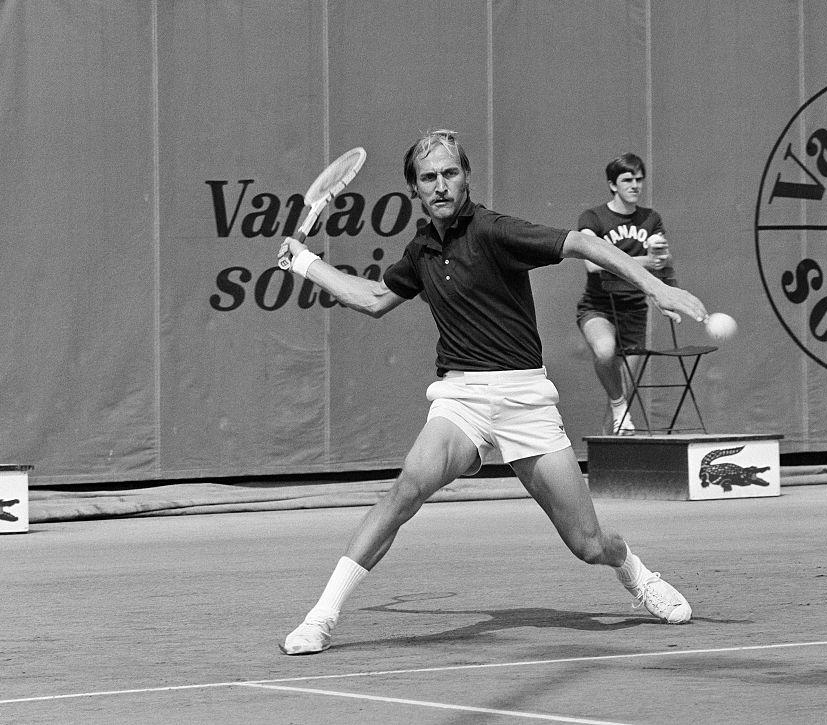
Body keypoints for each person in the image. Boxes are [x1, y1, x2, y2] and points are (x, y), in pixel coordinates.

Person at [277, 130, 707, 655]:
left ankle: (636, 574)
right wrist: (301, 262)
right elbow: (371, 298)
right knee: (407, 488)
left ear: (466, 177)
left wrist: (656, 286)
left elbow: (583, 243)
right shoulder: (421, 251)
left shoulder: (494, 230)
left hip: (526, 399)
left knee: (588, 544)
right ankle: (321, 617)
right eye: (429, 177)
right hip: (462, 399)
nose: (441, 185)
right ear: (415, 188)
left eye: (450, 173)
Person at [575, 153, 673, 435]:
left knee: (620, 403)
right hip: (598, 307)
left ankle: (607, 467)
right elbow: (593, 263)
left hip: (633, 312)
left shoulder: (651, 219)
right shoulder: (593, 217)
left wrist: (666, 297)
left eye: (639, 180)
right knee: (605, 353)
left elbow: (662, 262)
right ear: (613, 185)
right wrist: (643, 261)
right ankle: (619, 410)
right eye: (627, 180)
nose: (635, 185)